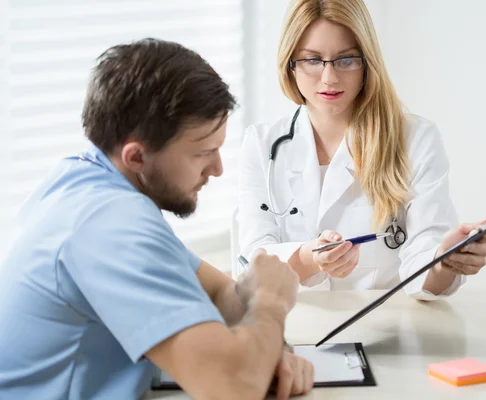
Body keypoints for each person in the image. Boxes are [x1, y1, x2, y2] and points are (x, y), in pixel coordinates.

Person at [0, 38, 313, 400]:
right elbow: (232, 388)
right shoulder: (111, 226)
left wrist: (268, 346)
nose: (217, 169)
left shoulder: (89, 181)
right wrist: (271, 305)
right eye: (203, 153)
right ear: (136, 156)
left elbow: (217, 293)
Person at [237, 0, 486, 298]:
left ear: (366, 63)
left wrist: (446, 262)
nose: (329, 78)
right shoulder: (261, 145)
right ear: (289, 63)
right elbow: (253, 265)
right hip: (293, 325)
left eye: (346, 60)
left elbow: (424, 263)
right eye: (312, 60)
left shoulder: (416, 139)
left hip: (387, 330)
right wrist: (309, 258)